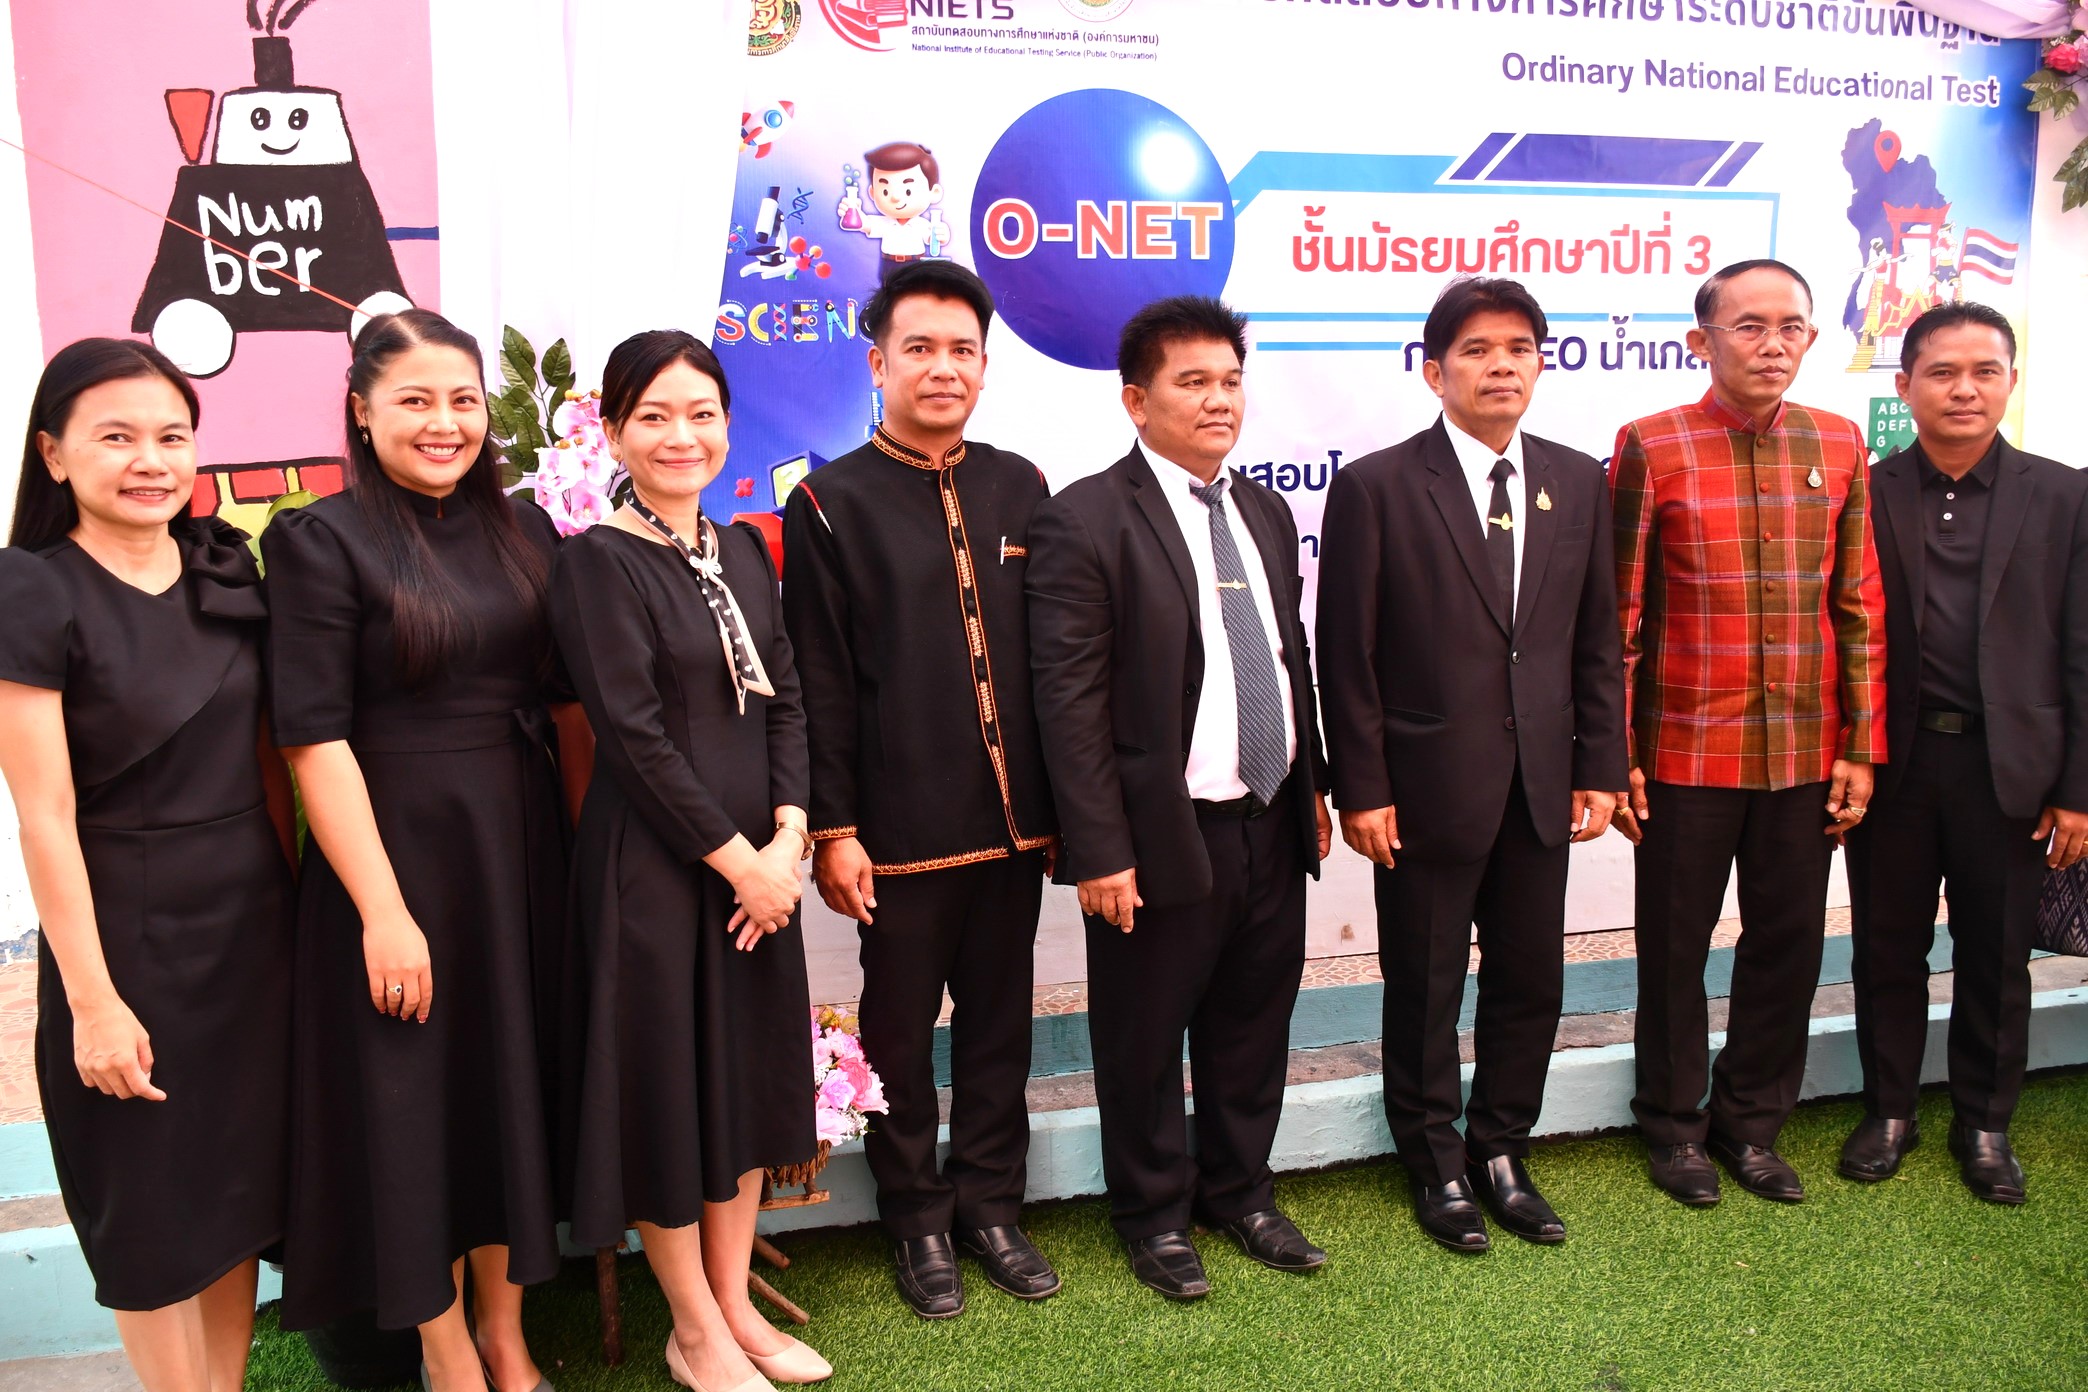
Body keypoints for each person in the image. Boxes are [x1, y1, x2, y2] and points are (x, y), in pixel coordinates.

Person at [265, 310, 568, 1392]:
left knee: (509, 1091)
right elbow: (313, 741)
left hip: (518, 846)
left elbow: (568, 700)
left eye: (463, 401)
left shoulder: (526, 530)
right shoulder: (319, 540)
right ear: (361, 410)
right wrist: (384, 913)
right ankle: (445, 1354)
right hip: (394, 860)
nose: (445, 423)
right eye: (415, 401)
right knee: (417, 1110)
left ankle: (505, 1335)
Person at [0, 339, 293, 1392]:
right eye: (116, 437)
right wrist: (91, 1002)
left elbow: (274, 762)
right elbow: (43, 815)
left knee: (234, 1200)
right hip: (123, 934)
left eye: (172, 436)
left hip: (251, 933)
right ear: (53, 454)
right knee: (150, 1214)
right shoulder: (31, 589)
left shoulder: (225, 566)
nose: (151, 461)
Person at [1028, 295, 1333, 1300]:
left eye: (1231, 381)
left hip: (1268, 819)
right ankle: (1154, 1215)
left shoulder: (1263, 511)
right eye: (1192, 382)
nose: (1218, 401)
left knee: (1254, 1024)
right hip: (1158, 835)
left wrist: (1312, 785)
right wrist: (1100, 849)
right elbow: (1068, 703)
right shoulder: (1085, 518)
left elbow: (1287, 659)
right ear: (1136, 400)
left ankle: (1241, 1192)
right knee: (1146, 1038)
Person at [1317, 278, 1627, 1252]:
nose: (1502, 366)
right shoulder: (1377, 486)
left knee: (1531, 980)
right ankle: (1435, 1160)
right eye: (1478, 350)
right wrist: (1362, 787)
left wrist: (1601, 765)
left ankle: (1501, 1149)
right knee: (1426, 985)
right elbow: (1347, 653)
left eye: (1520, 348)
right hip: (1423, 790)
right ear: (1434, 371)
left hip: (1541, 786)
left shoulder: (1578, 480)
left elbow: (1593, 638)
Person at [781, 261, 1059, 1318]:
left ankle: (992, 1208)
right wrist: (836, 830)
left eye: (962, 351)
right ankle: (916, 1221)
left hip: (1014, 827)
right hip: (895, 835)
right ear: (878, 364)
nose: (943, 368)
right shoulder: (829, 501)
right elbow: (819, 678)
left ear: (985, 366)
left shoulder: (1021, 485)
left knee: (1000, 1028)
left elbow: (1053, 658)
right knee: (898, 1035)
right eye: (920, 349)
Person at [553, 331, 825, 1391]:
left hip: (763, 867)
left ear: (727, 426)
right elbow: (632, 738)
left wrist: (790, 839)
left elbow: (787, 698)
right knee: (668, 1096)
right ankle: (694, 1329)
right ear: (615, 433)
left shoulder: (744, 549)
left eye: (702, 413)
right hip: (658, 873)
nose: (682, 436)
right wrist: (740, 864)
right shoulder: (597, 562)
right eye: (655, 416)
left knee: (745, 1084)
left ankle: (734, 1305)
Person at [1610, 259, 1887, 1207]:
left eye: (1792, 327)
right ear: (1703, 340)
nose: (1774, 344)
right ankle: (1673, 1128)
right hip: (1684, 752)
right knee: (1673, 949)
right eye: (1750, 326)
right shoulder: (1652, 445)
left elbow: (1858, 608)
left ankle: (1752, 1125)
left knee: (1789, 945)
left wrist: (1860, 745)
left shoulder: (1839, 443)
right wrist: (1619, 756)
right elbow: (1620, 620)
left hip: (1806, 752)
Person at [1840, 301, 2088, 1204]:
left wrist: (2078, 787)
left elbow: (2082, 648)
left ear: (2011, 382)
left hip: (2010, 770)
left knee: (1996, 955)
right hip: (1895, 766)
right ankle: (1890, 1111)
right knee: (1887, 949)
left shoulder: (2064, 495)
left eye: (1985, 371)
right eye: (1942, 372)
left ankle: (1985, 1124)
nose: (1965, 389)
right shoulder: (1863, 492)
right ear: (1905, 386)